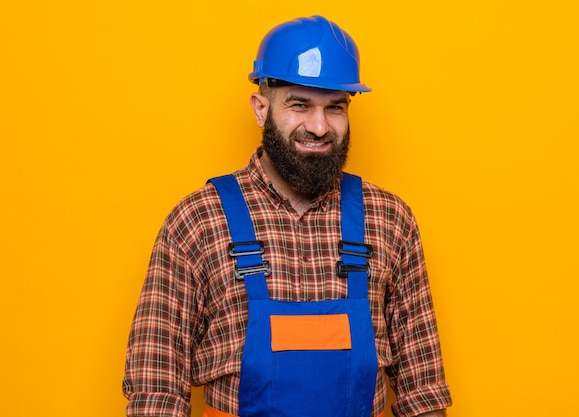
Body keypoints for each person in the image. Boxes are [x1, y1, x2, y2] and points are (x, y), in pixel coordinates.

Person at [123, 15, 452, 417]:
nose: (319, 126)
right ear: (261, 109)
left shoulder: (388, 220)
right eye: (300, 105)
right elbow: (156, 390)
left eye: (335, 108)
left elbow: (424, 393)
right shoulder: (198, 221)